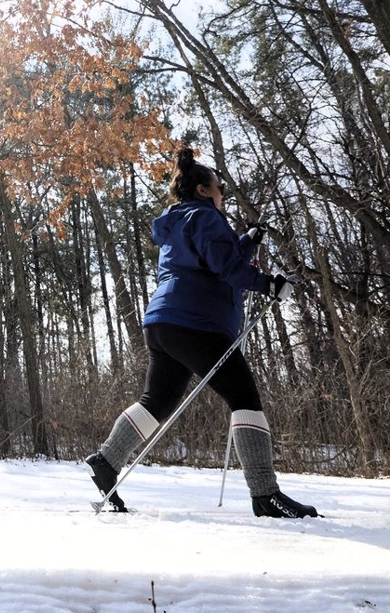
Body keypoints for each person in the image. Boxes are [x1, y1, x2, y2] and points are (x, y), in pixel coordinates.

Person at [85, 149, 319, 518]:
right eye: (218, 187)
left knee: (157, 401)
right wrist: (268, 284)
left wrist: (246, 241)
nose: (222, 193)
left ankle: (107, 459)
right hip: (197, 322)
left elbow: (211, 261)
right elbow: (225, 268)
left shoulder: (179, 222)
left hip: (163, 322)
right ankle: (265, 494)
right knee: (244, 398)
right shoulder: (207, 217)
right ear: (202, 189)